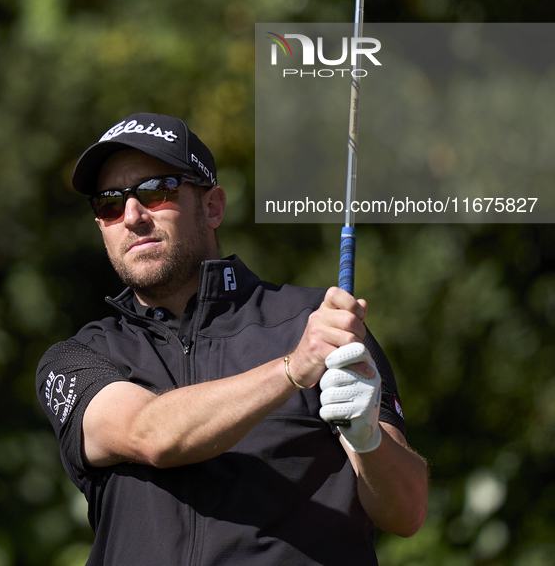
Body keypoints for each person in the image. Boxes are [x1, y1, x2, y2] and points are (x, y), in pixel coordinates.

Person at [37, 112, 427, 566]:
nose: (132, 215)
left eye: (156, 190)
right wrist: (291, 371)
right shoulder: (80, 356)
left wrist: (368, 442)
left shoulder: (318, 324)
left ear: (212, 207)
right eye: (108, 203)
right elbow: (152, 435)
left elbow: (407, 512)